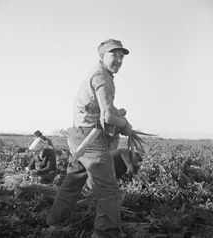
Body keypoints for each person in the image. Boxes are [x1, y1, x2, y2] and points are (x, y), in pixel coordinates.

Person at [46, 39, 133, 238]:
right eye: (114, 55)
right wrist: (125, 125)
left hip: (78, 136)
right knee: (109, 190)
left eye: (121, 56)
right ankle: (106, 234)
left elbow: (102, 112)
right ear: (101, 55)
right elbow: (108, 116)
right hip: (90, 138)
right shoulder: (103, 77)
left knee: (73, 182)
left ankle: (53, 223)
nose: (119, 59)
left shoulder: (98, 74)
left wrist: (116, 114)